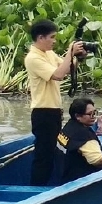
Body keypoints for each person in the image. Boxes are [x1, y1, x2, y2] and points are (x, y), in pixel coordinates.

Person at [24, 20, 85, 185]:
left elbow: (68, 68)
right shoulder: (33, 58)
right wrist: (69, 52)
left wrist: (78, 56)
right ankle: (36, 190)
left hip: (54, 111)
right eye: (52, 37)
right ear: (41, 38)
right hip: (42, 113)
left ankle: (51, 185)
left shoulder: (49, 53)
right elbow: (58, 74)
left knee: (55, 151)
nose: (54, 41)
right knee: (43, 155)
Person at [58, 97, 102, 183]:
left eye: (95, 113)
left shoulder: (68, 127)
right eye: (90, 114)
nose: (94, 117)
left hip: (66, 177)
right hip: (82, 183)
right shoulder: (84, 136)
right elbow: (97, 159)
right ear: (78, 116)